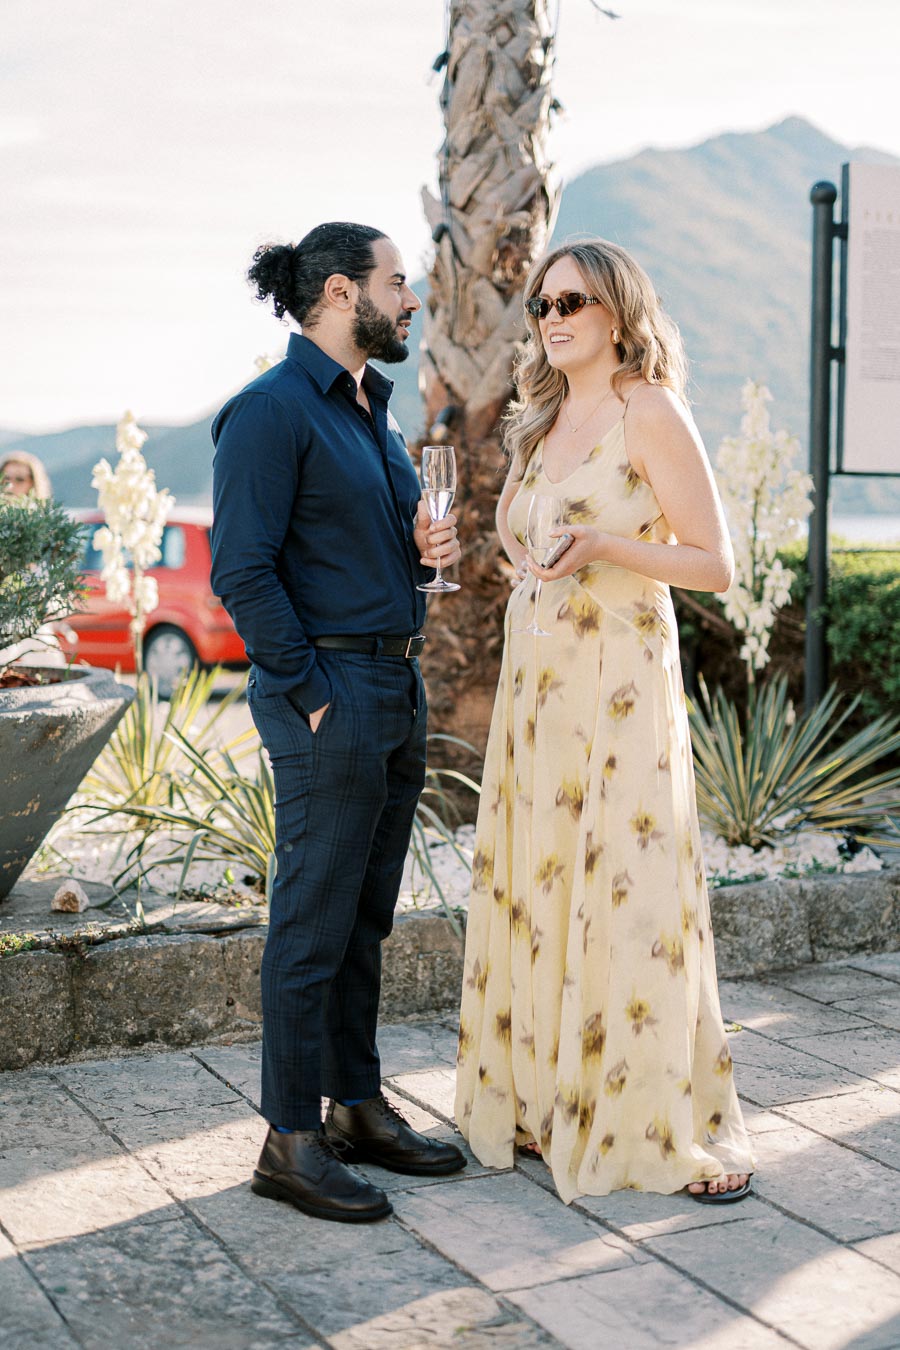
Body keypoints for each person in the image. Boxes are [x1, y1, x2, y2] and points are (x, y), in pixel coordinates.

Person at [454, 238, 755, 1205]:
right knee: (541, 882)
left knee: (629, 887)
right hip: (538, 688)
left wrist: (606, 547)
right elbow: (518, 531)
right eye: (543, 305)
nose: (553, 318)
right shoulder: (541, 418)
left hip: (619, 684)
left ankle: (651, 1123)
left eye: (572, 301)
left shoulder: (649, 410)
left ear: (618, 311)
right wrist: (517, 555)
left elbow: (716, 564)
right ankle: (547, 1103)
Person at [210, 222, 466, 1225]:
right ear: (340, 292)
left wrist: (419, 549)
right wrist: (311, 690)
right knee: (311, 924)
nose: (412, 299)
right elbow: (242, 570)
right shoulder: (269, 413)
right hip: (331, 695)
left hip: (393, 686)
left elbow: (361, 555)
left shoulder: (372, 411)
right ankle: (290, 1139)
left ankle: (355, 1106)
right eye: (398, 282)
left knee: (364, 919)